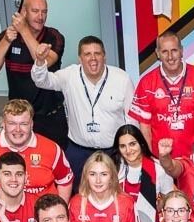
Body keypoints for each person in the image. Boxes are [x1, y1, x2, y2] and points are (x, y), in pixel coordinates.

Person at [32, 35, 135, 177]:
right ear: (80, 59)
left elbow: (132, 118)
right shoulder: (69, 76)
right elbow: (42, 81)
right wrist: (40, 61)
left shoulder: (122, 79)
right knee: (78, 194)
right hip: (78, 153)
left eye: (97, 53)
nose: (93, 58)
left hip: (113, 152)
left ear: (104, 56)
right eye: (87, 54)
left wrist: (130, 150)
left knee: (114, 194)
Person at [0, 0, 67, 147]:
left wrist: (24, 31)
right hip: (19, 119)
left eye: (44, 12)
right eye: (35, 11)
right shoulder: (8, 36)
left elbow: (44, 61)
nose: (40, 16)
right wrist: (6, 40)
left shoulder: (54, 36)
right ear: (23, 12)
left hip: (50, 117)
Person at [129, 31, 194, 169]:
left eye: (174, 50)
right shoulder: (146, 83)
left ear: (181, 51)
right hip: (160, 161)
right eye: (164, 51)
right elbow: (144, 127)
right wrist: (152, 158)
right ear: (157, 53)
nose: (170, 57)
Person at [0, 99, 72, 199]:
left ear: (32, 124)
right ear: (3, 124)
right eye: (12, 123)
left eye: (23, 124)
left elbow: (65, 181)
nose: (18, 129)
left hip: (42, 212)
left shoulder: (52, 149)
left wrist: (60, 211)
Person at [110, 124, 158, 222]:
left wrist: (160, 204)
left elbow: (170, 198)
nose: (128, 150)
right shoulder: (112, 168)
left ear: (141, 143)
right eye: (122, 146)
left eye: (132, 144)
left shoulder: (157, 168)